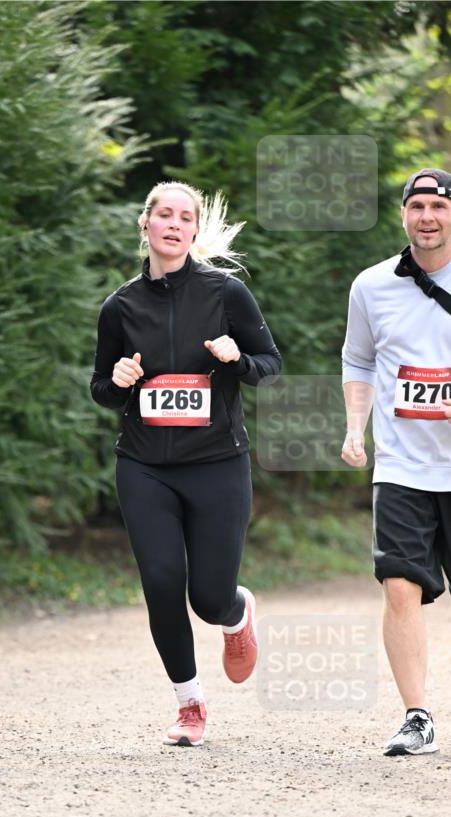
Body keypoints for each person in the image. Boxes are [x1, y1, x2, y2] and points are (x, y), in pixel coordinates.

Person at [90, 181, 281, 747]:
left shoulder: (226, 293)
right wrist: (118, 381)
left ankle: (236, 613)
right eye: (164, 215)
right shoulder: (119, 306)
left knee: (209, 597)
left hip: (217, 463)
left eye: (184, 217)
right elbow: (101, 388)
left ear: (194, 230)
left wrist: (237, 358)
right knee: (162, 582)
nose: (173, 224)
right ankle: (189, 703)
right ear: (145, 224)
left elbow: (270, 365)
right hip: (144, 465)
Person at [341, 167, 451, 756]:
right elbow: (358, 360)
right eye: (417, 206)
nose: (427, 217)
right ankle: (416, 716)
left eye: (439, 205)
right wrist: (354, 428)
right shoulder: (372, 286)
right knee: (400, 586)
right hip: (402, 466)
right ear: (403, 214)